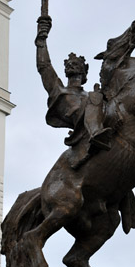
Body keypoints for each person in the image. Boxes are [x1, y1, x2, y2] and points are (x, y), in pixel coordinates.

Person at [35, 16, 111, 167]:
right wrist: (41, 41)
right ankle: (95, 134)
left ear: (85, 71)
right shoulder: (59, 90)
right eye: (69, 64)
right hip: (79, 128)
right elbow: (44, 67)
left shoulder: (90, 95)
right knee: (95, 97)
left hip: (98, 119)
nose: (71, 65)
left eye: (76, 64)